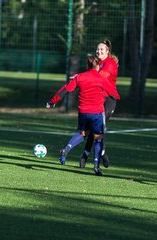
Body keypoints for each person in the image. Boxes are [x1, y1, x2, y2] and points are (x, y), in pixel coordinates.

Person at [46, 54, 120, 176]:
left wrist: (52, 101)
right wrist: (116, 97)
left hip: (83, 112)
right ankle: (96, 166)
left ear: (87, 65)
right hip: (96, 113)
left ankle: (67, 149)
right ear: (98, 67)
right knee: (98, 138)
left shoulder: (80, 77)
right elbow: (113, 92)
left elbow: (66, 89)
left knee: (82, 134)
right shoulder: (101, 79)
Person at [79, 39, 119, 169]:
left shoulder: (110, 63)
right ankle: (96, 154)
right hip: (98, 98)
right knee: (93, 126)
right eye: (97, 49)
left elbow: (99, 77)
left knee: (98, 127)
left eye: (101, 49)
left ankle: (91, 155)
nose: (98, 51)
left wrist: (79, 77)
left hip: (109, 100)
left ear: (107, 51)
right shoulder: (96, 63)